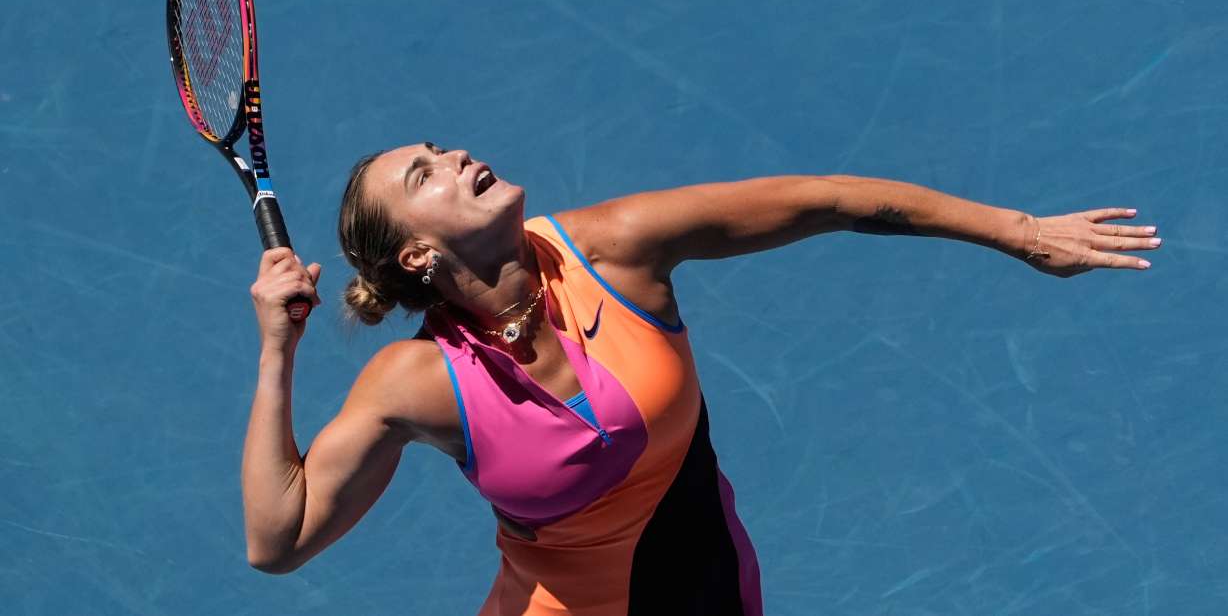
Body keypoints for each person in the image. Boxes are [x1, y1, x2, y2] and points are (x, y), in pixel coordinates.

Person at [240, 142, 1160, 615]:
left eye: (442, 146)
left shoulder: (617, 248)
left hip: (714, 589)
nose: (460, 158)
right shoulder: (417, 383)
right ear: (417, 252)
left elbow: (828, 199)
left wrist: (1021, 230)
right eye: (425, 173)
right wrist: (278, 350)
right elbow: (277, 540)